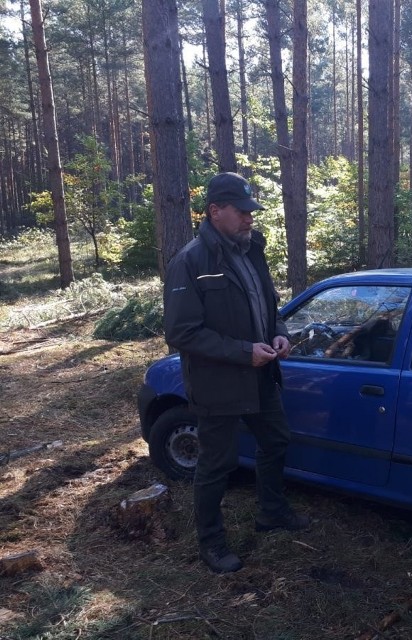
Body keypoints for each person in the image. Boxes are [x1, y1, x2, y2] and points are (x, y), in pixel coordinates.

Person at [163, 172, 309, 574]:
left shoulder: (251, 252)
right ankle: (211, 543)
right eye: (242, 212)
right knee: (217, 464)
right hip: (219, 383)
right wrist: (244, 352)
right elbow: (181, 332)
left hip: (261, 373)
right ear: (215, 211)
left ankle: (271, 512)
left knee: (276, 439)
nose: (250, 219)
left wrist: (278, 334)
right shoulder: (190, 261)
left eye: (251, 212)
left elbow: (269, 306)